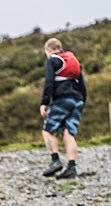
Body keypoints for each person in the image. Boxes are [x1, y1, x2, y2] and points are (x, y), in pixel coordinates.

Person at [39, 38, 87, 180]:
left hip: (62, 100)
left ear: (48, 50)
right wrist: (82, 101)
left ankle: (55, 161)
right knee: (69, 133)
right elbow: (82, 85)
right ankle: (71, 168)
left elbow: (48, 82)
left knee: (47, 131)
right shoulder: (74, 61)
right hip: (77, 100)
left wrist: (44, 103)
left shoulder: (52, 61)